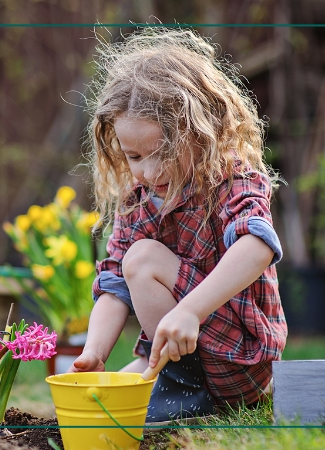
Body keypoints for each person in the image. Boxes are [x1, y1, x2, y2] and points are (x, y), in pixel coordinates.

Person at [69, 27, 287, 424]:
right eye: (134, 156)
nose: (149, 171)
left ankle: (187, 389)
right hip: (183, 353)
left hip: (240, 356)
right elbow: (115, 282)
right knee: (102, 406)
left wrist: (189, 310)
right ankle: (178, 383)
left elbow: (258, 246)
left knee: (144, 259)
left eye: (163, 152)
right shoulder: (137, 199)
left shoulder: (231, 178)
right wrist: (95, 351)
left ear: (201, 132)